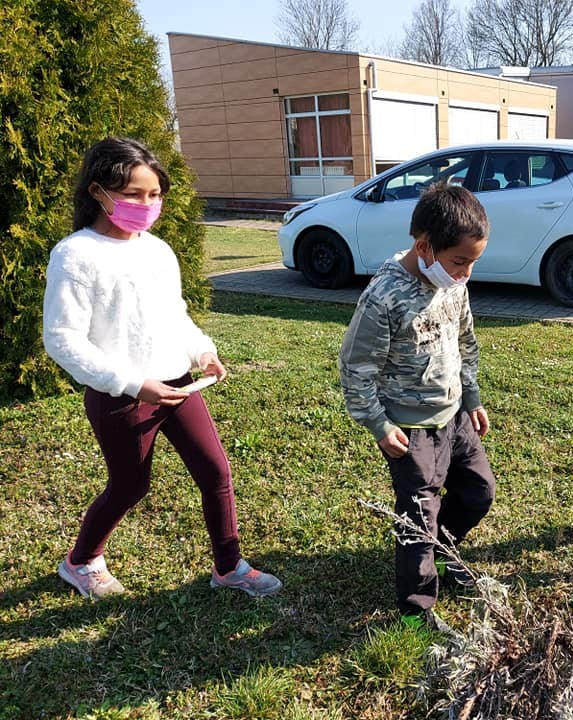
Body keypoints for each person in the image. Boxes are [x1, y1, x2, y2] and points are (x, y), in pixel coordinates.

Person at [43, 136, 281, 599]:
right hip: (121, 397)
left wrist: (201, 352)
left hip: (179, 385)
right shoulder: (75, 255)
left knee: (216, 472)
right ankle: (80, 561)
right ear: (97, 191)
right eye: (133, 194)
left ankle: (229, 568)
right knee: (130, 486)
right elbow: (62, 340)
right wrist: (134, 384)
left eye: (155, 195)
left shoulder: (157, 250)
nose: (146, 205)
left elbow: (175, 315)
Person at [338, 183, 496, 630]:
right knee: (418, 519)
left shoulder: (453, 285)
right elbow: (355, 367)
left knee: (479, 491)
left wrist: (472, 396)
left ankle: (442, 555)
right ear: (424, 246)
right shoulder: (384, 297)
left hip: (454, 415)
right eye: (459, 261)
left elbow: (465, 341)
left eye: (472, 262)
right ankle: (415, 608)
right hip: (410, 428)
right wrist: (378, 424)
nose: (465, 272)